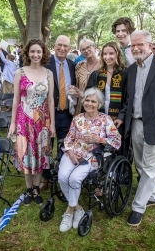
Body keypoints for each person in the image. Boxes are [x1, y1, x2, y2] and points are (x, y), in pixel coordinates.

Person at [115, 30, 155, 227]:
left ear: (150, 45)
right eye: (133, 45)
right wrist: (120, 117)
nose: (135, 48)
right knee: (142, 166)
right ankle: (153, 196)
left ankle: (138, 208)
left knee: (151, 169)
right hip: (135, 124)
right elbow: (128, 99)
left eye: (139, 44)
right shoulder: (132, 69)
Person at [58, 87, 121, 232]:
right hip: (73, 154)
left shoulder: (105, 119)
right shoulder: (77, 118)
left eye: (93, 101)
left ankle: (69, 211)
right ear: (83, 101)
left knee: (74, 179)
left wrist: (98, 138)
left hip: (92, 157)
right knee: (62, 177)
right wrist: (70, 153)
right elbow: (69, 139)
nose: (89, 103)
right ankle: (77, 208)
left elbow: (117, 141)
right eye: (87, 100)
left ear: (98, 104)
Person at [7, 39, 55, 206]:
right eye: (32, 51)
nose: (35, 55)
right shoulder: (20, 72)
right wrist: (13, 123)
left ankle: (36, 187)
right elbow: (15, 100)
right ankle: (28, 189)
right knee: (26, 153)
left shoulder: (49, 74)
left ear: (43, 54)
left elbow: (50, 101)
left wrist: (53, 124)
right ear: (27, 53)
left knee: (41, 154)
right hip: (24, 120)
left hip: (42, 121)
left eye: (38, 52)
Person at [40, 35, 76, 191]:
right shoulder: (44, 64)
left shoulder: (73, 65)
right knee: (46, 147)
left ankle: (62, 175)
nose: (62, 48)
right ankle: (46, 178)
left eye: (66, 46)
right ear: (54, 46)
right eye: (59, 45)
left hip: (67, 114)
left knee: (65, 146)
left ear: (69, 48)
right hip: (48, 114)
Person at [74, 39, 100, 115]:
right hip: (81, 106)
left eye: (88, 47)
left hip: (97, 107)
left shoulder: (103, 66)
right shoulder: (79, 67)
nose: (86, 50)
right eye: (83, 49)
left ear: (95, 48)